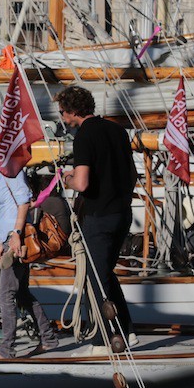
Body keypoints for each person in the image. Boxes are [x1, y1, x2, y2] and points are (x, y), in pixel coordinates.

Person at [54, 85, 138, 347]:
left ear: (71, 112)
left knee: (96, 281)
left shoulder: (84, 136)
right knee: (105, 273)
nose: (62, 118)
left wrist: (66, 177)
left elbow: (81, 183)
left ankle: (103, 341)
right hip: (122, 213)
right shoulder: (117, 130)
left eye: (62, 113)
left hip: (99, 216)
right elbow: (131, 173)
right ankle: (127, 331)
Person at [0, 128, 60, 358]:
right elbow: (7, 209)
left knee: (6, 295)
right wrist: (1, 243)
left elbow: (23, 201)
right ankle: (49, 338)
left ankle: (6, 349)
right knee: (22, 293)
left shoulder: (11, 171)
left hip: (16, 238)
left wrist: (15, 234)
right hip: (8, 238)